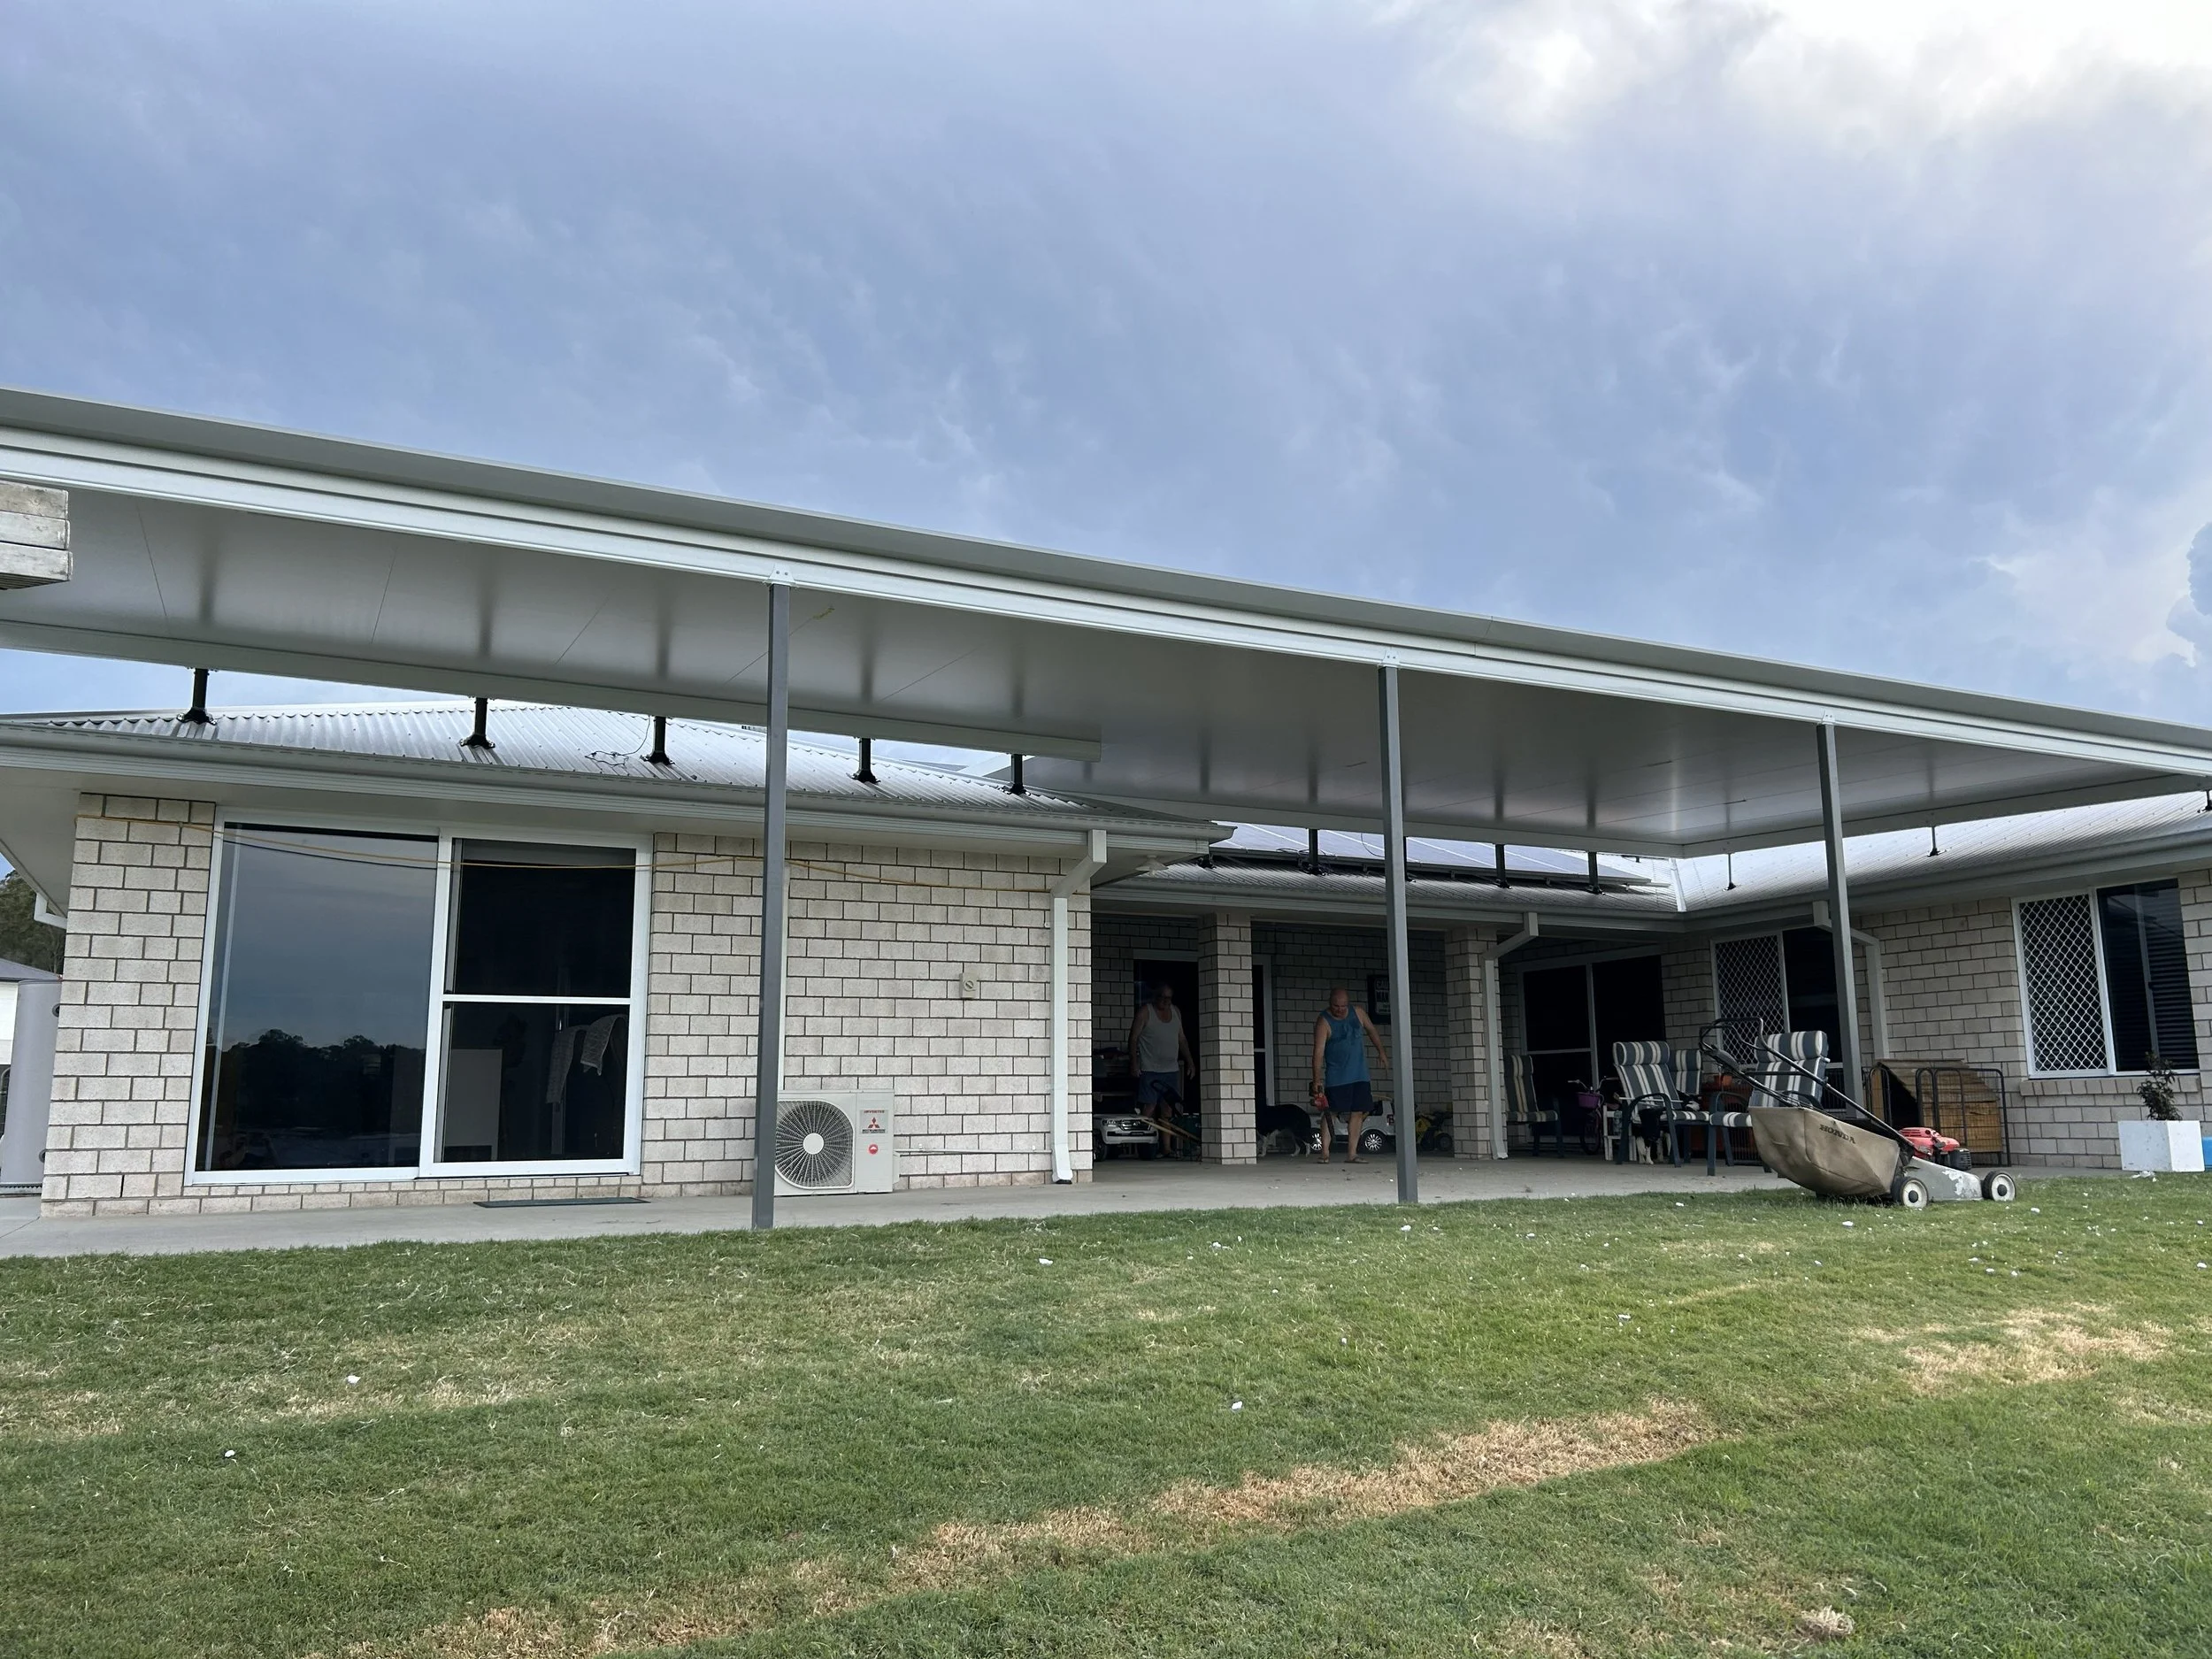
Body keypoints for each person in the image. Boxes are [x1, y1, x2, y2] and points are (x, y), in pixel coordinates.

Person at [1310, 985, 1389, 1163]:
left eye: (1343, 1006)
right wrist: (1316, 1079)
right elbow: (1318, 1053)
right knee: (1331, 1112)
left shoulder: (1358, 1013)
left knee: (1358, 1112)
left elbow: (1372, 1030)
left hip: (1360, 1074)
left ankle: (1352, 1154)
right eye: (1336, 1006)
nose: (1340, 1010)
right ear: (1330, 1004)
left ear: (1348, 1003)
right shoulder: (1324, 1021)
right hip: (1337, 1076)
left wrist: (1381, 1052)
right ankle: (1325, 1153)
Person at [1128, 981, 1197, 1140]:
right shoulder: (1145, 1012)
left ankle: (1166, 1148)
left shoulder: (1176, 1012)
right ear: (1155, 997)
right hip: (1150, 1068)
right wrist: (1134, 1062)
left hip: (1171, 1069)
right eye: (1162, 997)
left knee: (1168, 1108)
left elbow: (1182, 1039)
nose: (1165, 1001)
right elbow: (1133, 1039)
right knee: (1149, 1106)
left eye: (1169, 998)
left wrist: (1190, 1062)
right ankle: (1144, 1143)